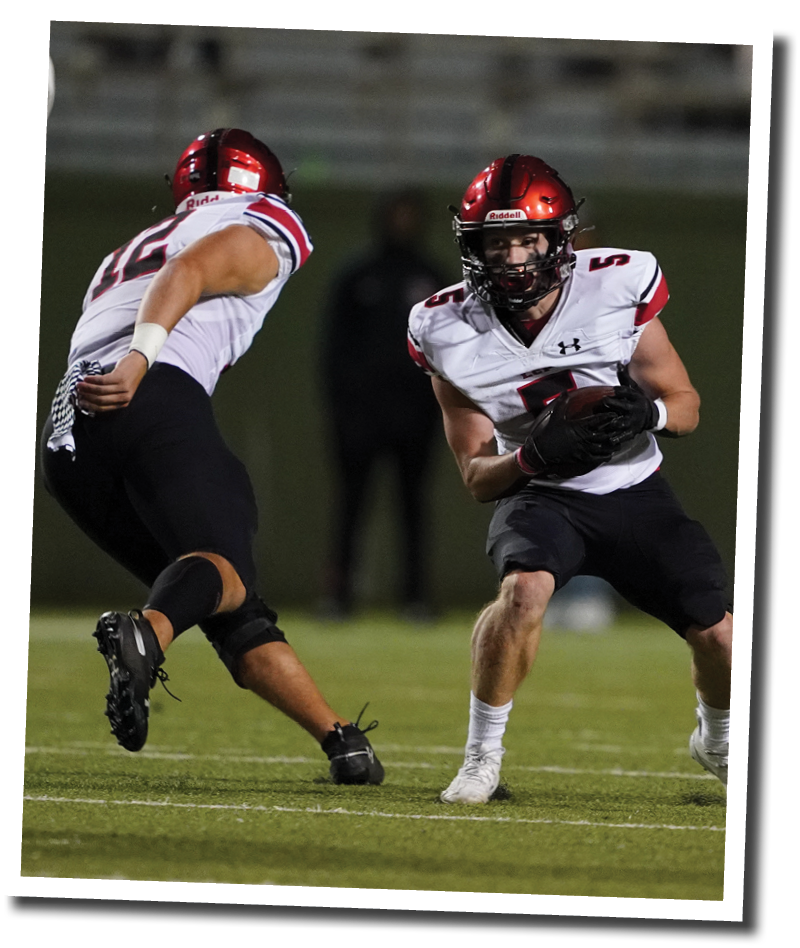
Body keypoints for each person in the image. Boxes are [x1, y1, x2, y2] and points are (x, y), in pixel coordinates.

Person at [40, 128, 383, 785]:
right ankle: (145, 636)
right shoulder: (261, 219)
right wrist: (143, 358)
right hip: (147, 389)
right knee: (220, 567)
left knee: (219, 593)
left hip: (67, 435)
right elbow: (189, 271)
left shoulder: (129, 249)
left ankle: (341, 741)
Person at [407, 154, 732, 803]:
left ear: (560, 238)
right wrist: (535, 456)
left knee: (722, 637)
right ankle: (480, 759)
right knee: (523, 593)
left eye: (529, 238)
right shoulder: (442, 327)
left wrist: (651, 411)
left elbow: (687, 402)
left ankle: (718, 739)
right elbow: (476, 476)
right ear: (474, 248)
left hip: (634, 487)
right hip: (542, 496)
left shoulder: (616, 282)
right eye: (499, 242)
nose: (517, 256)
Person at [319, 189, 446, 620]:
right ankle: (338, 597)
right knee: (351, 505)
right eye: (396, 214)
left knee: (413, 507)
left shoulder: (432, 278)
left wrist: (437, 410)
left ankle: (416, 598)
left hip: (416, 415)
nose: (402, 222)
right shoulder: (357, 276)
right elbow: (333, 353)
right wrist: (344, 410)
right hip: (362, 418)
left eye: (410, 214)